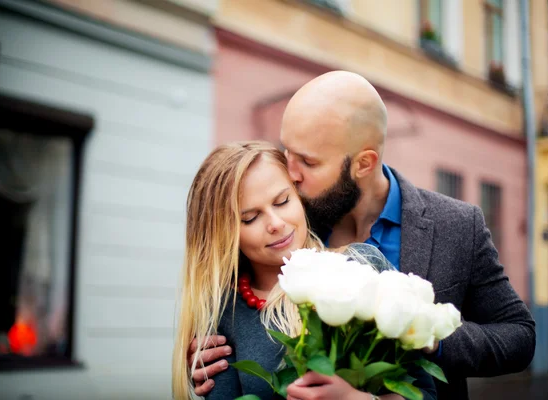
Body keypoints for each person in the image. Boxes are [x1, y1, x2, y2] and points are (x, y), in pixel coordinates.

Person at [189, 72, 536, 400]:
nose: (290, 174)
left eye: (308, 162)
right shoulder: (288, 216)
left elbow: (519, 336)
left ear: (363, 164)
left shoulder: (457, 225)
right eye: (287, 152)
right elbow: (224, 258)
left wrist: (423, 331)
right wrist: (207, 354)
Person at [172, 141, 437, 400]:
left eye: (282, 201)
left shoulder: (361, 266)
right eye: (250, 218)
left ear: (298, 196)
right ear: (223, 234)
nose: (275, 223)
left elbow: (425, 392)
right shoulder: (223, 311)